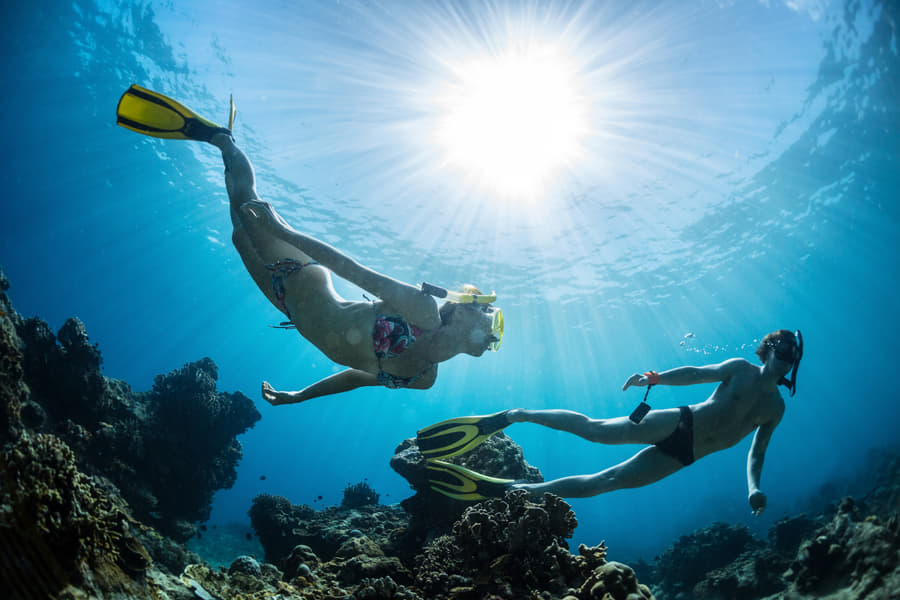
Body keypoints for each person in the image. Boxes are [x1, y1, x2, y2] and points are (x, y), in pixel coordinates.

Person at [116, 85, 503, 403]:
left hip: (289, 306)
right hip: (301, 278)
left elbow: (355, 377)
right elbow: (351, 269)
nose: (493, 334)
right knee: (247, 203)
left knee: (237, 229)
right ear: (465, 309)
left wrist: (296, 396)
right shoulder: (423, 310)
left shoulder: (424, 379)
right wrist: (282, 232)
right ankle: (223, 141)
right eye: (490, 317)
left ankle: (227, 157)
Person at [417, 329, 803, 516]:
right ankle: (517, 415)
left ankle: (517, 492)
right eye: (782, 349)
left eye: (793, 354)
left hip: (688, 454)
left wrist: (754, 488)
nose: (786, 357)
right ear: (769, 348)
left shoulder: (776, 410)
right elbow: (696, 373)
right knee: (597, 431)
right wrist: (656, 378)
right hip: (679, 423)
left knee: (606, 484)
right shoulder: (740, 369)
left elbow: (757, 454)